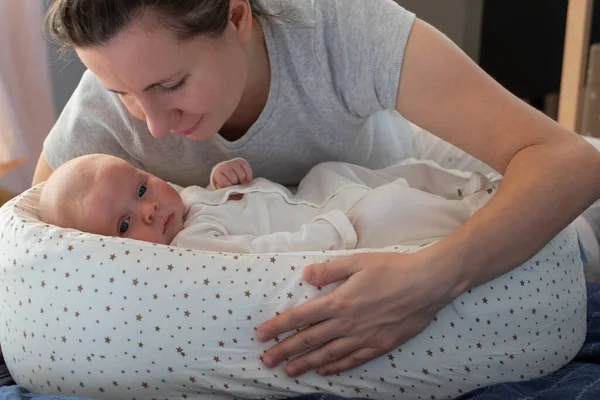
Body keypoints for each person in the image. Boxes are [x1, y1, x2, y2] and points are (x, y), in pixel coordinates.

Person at [36, 0, 600, 382]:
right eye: (124, 94)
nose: (152, 124)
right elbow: (30, 248)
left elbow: (571, 162)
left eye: (172, 85)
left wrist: (434, 277)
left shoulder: (337, 27)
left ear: (237, 15)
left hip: (404, 166)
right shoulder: (104, 107)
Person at [38, 153, 497, 252]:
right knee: (390, 211)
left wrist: (221, 179)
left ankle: (471, 183)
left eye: (141, 190)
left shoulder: (185, 204)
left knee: (330, 169)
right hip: (334, 226)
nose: (149, 210)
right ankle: (478, 212)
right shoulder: (192, 247)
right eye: (124, 225)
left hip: (314, 196)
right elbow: (263, 254)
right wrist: (329, 233)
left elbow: (224, 200)